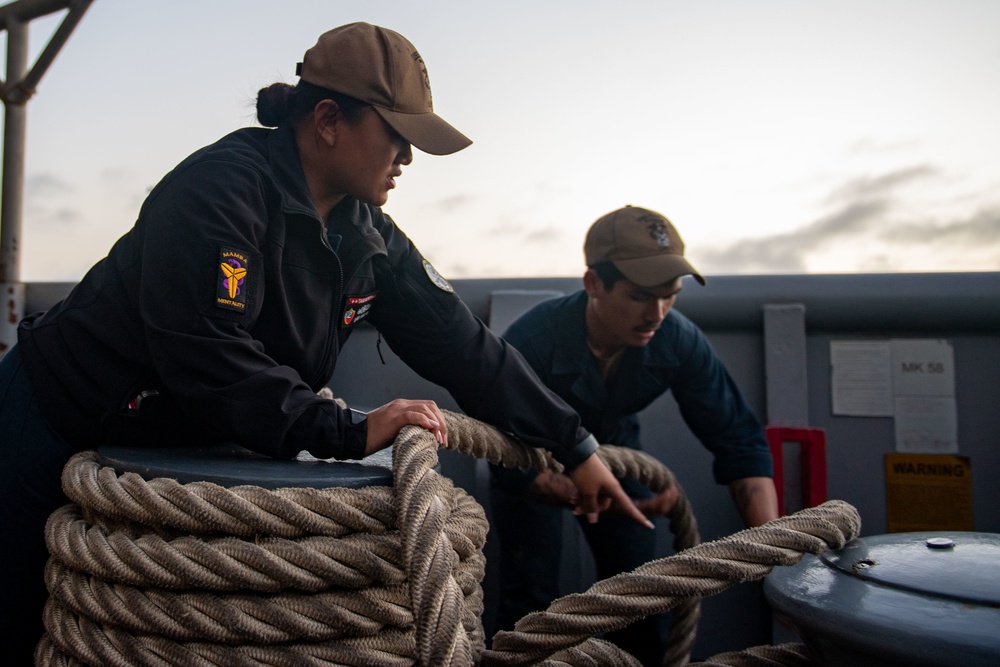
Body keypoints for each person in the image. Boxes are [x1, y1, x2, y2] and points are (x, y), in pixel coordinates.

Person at [0, 23, 650, 661]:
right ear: (330, 120)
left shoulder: (368, 236)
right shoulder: (218, 192)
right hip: (49, 414)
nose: (407, 158)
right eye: (396, 135)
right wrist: (344, 429)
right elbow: (209, 356)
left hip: (165, 436)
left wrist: (573, 444)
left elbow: (466, 347)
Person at [489, 205, 779, 666]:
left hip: (618, 454)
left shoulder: (678, 340)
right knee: (529, 604)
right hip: (530, 461)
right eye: (642, 296)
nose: (657, 314)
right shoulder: (531, 343)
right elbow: (499, 450)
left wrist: (773, 548)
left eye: (671, 296)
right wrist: (565, 488)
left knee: (641, 599)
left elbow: (739, 441)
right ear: (593, 284)